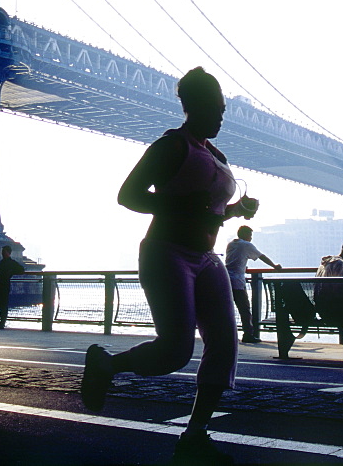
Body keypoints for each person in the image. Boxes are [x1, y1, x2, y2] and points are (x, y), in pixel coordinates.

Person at [80, 67, 259, 465]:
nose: (221, 117)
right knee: (176, 350)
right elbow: (128, 195)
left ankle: (195, 434)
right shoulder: (171, 146)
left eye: (224, 109)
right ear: (191, 105)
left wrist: (234, 211)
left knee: (225, 347)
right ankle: (107, 364)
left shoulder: (217, 155)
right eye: (215, 108)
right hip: (167, 251)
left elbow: (210, 210)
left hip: (207, 258)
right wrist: (182, 205)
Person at [224, 225, 280, 344]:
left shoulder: (231, 244)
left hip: (225, 280)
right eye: (250, 235)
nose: (251, 238)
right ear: (245, 235)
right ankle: (248, 334)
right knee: (244, 309)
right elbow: (261, 256)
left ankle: (225, 334)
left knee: (226, 309)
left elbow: (235, 260)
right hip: (237, 282)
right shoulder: (246, 245)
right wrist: (274, 266)